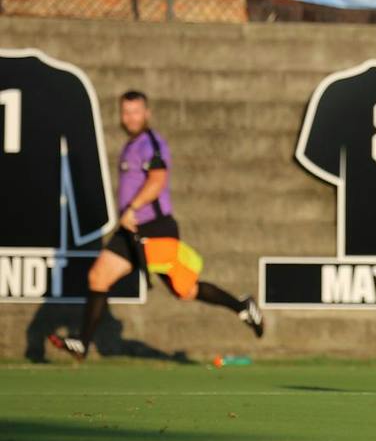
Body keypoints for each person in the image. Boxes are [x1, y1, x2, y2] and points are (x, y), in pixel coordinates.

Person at [49, 90, 263, 359]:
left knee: (185, 290)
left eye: (136, 112)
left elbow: (157, 181)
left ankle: (242, 306)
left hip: (154, 229)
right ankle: (83, 343)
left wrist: (133, 208)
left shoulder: (151, 144)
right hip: (131, 230)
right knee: (98, 277)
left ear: (147, 113)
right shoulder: (131, 145)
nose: (130, 117)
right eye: (126, 112)